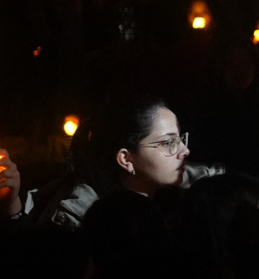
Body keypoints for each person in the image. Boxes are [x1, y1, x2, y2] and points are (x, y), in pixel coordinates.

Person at [26, 95, 219, 229]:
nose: (185, 151)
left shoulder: (188, 191)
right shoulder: (80, 219)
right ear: (126, 159)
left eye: (180, 139)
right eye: (169, 143)